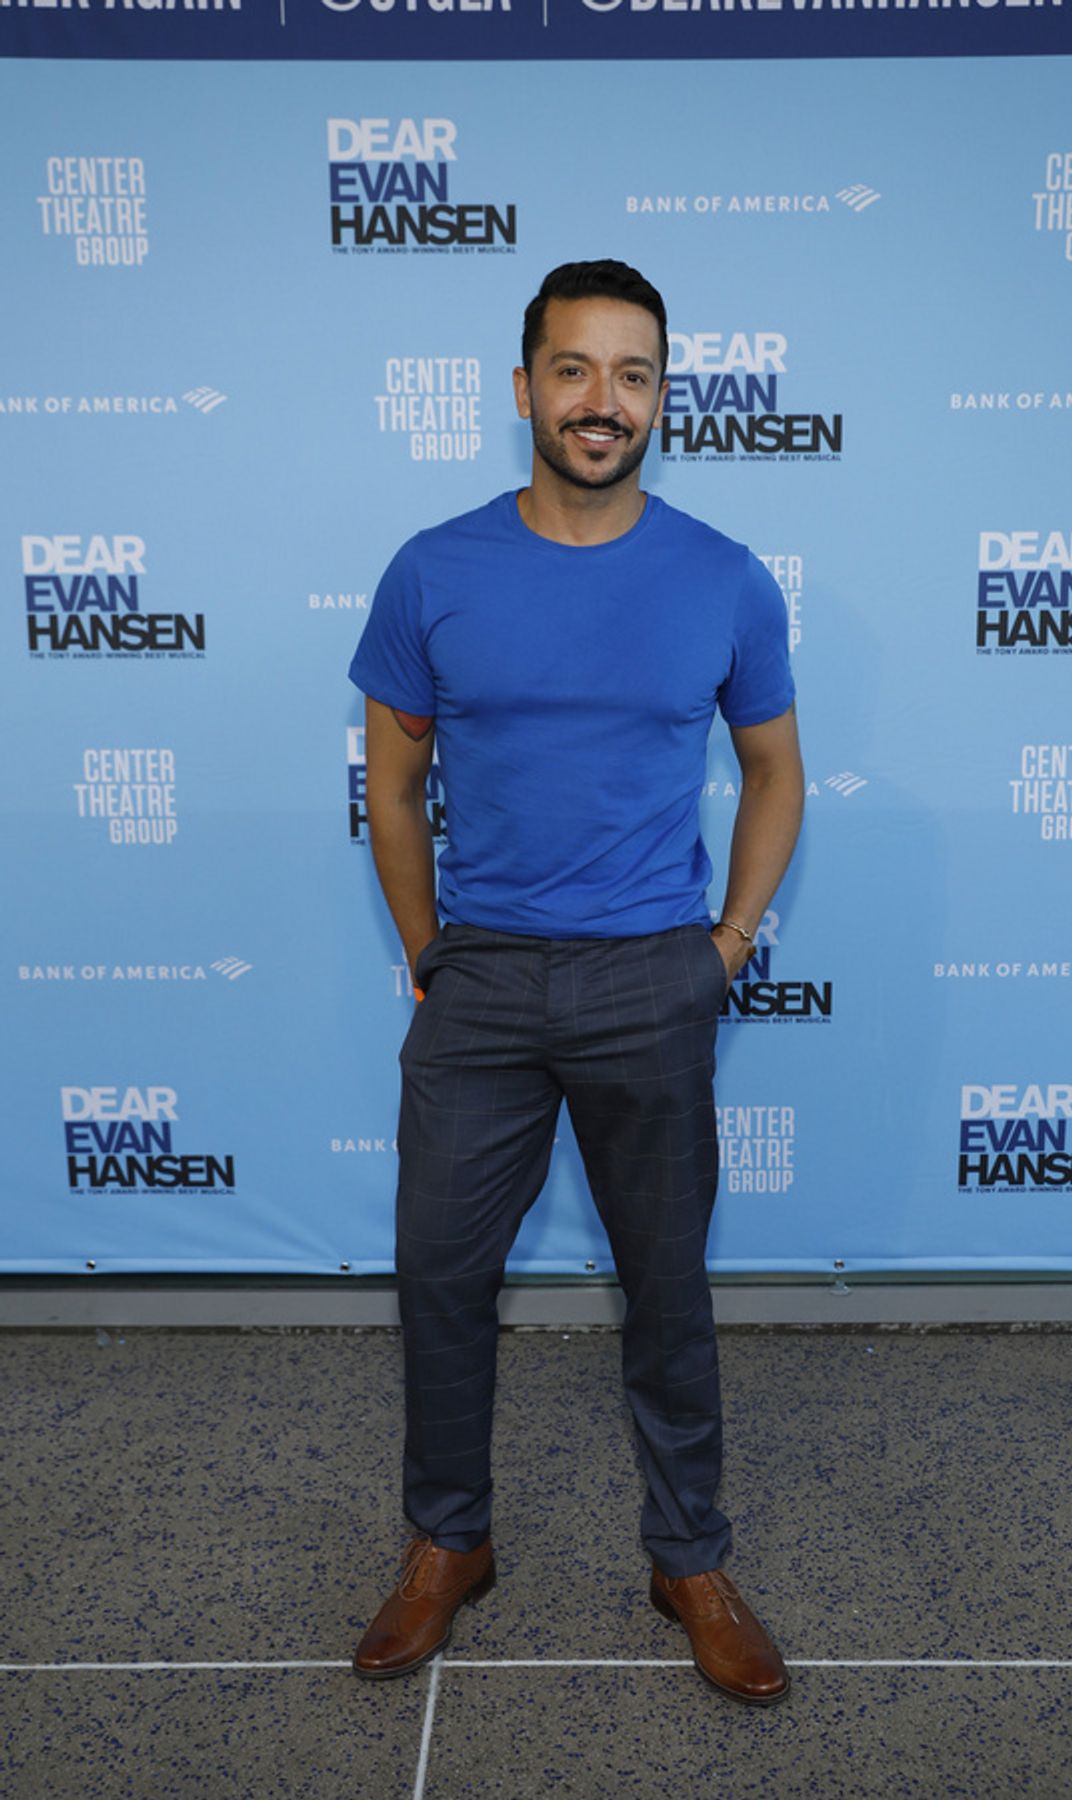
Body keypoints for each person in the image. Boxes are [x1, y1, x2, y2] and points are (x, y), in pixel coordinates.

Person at [348, 259, 805, 1705]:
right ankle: (447, 1543)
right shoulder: (434, 568)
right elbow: (396, 778)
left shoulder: (725, 576)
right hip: (480, 981)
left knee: (667, 1292)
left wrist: (723, 948)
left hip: (650, 983)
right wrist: (433, 958)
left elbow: (776, 772)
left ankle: (689, 1556)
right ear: (524, 386)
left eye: (634, 375)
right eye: (574, 370)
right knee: (440, 1279)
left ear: (663, 396)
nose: (602, 402)